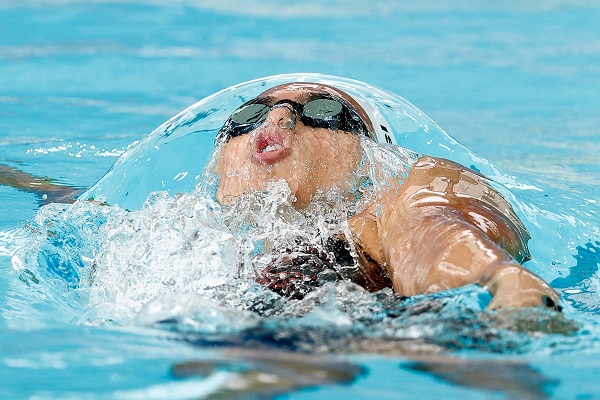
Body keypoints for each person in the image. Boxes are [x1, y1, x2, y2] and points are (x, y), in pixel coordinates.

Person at [0, 82, 561, 311]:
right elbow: (81, 204)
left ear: (372, 157)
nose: (277, 119)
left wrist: (500, 282)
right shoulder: (167, 227)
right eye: (247, 115)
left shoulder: (401, 193)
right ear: (218, 161)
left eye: (323, 111)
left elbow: (439, 231)